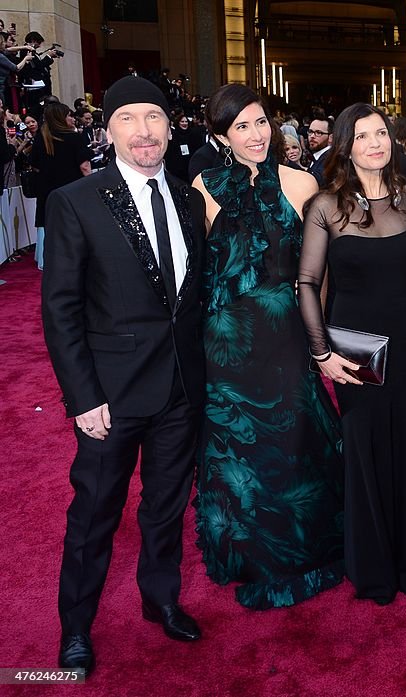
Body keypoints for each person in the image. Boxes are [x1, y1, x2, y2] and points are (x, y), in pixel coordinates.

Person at [42, 75, 206, 679]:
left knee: (165, 507)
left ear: (170, 126)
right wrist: (82, 396)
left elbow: (189, 297)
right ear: (108, 130)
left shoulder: (189, 198)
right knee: (94, 514)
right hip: (109, 395)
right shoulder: (75, 201)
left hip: (181, 388)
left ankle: (160, 598)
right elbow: (60, 309)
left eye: (155, 117)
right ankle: (76, 628)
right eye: (130, 119)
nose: (145, 131)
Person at [189, 84, 346, 610]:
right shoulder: (204, 186)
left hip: (285, 337)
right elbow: (199, 271)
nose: (256, 135)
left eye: (261, 123)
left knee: (296, 441)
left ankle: (302, 547)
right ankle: (252, 554)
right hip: (227, 345)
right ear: (221, 136)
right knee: (241, 454)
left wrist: (319, 332)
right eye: (242, 127)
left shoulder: (302, 182)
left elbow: (319, 271)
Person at [299, 102, 406, 606]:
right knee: (365, 446)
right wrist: (321, 351)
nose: (376, 143)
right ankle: (375, 568)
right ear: (345, 145)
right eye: (364, 136)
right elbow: (307, 282)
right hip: (355, 347)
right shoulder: (326, 205)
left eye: (382, 134)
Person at [29, 102, 91, 269]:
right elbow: (85, 166)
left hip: (46, 188)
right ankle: (72, 257)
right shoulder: (74, 138)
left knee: (46, 221)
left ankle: (45, 258)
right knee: (73, 222)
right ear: (60, 118)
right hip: (72, 188)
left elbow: (34, 164)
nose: (72, 118)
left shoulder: (41, 137)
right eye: (69, 115)